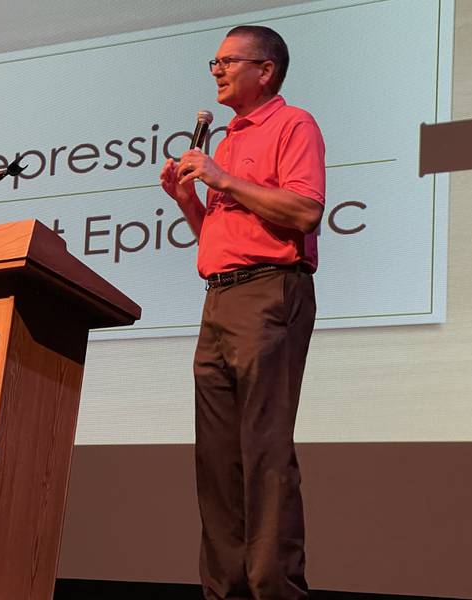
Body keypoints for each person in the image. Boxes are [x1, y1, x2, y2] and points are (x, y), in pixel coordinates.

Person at [160, 25, 325, 600]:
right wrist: (188, 200)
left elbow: (304, 212)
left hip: (269, 292)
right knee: (217, 463)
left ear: (267, 71)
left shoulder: (292, 124)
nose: (216, 70)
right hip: (220, 297)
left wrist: (222, 178)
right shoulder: (224, 139)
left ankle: (274, 590)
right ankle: (223, 591)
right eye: (215, 61)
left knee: (264, 453)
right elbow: (221, 235)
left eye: (229, 61)